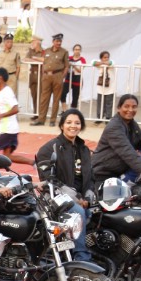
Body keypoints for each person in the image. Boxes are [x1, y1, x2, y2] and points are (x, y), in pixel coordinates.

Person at [35, 109, 95, 261]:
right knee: (78, 213)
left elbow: (91, 178)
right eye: (69, 122)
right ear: (62, 125)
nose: (73, 126)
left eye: (77, 123)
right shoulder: (49, 149)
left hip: (81, 199)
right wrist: (77, 200)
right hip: (54, 197)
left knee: (102, 212)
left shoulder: (84, 149)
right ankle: (81, 258)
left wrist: (88, 196)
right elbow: (49, 180)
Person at [91, 94, 141, 183]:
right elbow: (126, 151)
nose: (130, 110)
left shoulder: (133, 124)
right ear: (119, 108)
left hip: (119, 174)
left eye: (134, 107)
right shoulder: (114, 127)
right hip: (101, 174)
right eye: (126, 106)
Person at [34, 33, 67, 126]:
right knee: (44, 98)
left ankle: (52, 120)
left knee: (56, 99)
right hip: (46, 77)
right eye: (57, 41)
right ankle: (41, 119)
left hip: (57, 76)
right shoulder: (47, 51)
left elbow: (66, 66)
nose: (59, 43)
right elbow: (44, 61)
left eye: (60, 41)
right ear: (53, 42)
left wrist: (62, 77)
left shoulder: (64, 52)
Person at [0, 67, 21, 160]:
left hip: (5, 129)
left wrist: (0, 116)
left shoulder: (6, 92)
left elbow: (15, 109)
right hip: (12, 128)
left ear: (0, 78)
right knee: (7, 156)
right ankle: (33, 163)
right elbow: (8, 108)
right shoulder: (2, 92)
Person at [60, 43, 86, 109]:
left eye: (78, 49)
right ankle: (64, 110)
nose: (77, 51)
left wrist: (73, 65)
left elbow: (81, 70)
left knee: (75, 97)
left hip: (77, 79)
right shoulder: (69, 58)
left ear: (80, 51)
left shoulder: (82, 59)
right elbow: (64, 66)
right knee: (62, 93)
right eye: (75, 49)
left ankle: (72, 111)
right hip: (68, 78)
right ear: (73, 50)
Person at [25, 36, 45, 115]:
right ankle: (35, 113)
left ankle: (40, 113)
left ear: (38, 43)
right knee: (34, 95)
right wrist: (36, 59)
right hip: (32, 74)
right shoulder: (31, 51)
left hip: (40, 75)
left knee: (40, 95)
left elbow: (44, 60)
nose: (32, 43)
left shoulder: (44, 52)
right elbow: (25, 59)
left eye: (33, 41)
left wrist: (33, 58)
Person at [94, 50, 114, 123]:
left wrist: (103, 63)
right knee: (100, 103)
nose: (106, 59)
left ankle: (108, 118)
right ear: (101, 58)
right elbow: (92, 62)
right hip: (101, 88)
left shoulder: (111, 63)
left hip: (110, 87)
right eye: (104, 57)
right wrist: (102, 63)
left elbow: (111, 63)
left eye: (107, 57)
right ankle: (99, 118)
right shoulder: (100, 65)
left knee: (109, 103)